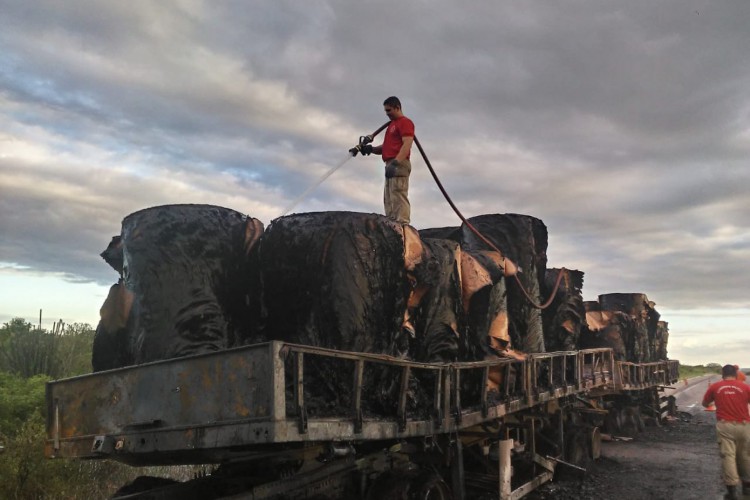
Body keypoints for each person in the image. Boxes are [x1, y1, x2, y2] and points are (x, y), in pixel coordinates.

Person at [357, 96, 415, 225]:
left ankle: (403, 225)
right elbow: (387, 147)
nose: (387, 114)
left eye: (389, 110)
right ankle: (392, 224)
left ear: (397, 107)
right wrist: (370, 149)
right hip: (390, 164)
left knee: (398, 194)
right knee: (389, 197)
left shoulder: (405, 122)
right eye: (385, 111)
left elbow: (407, 144)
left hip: (399, 164)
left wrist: (396, 162)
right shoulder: (391, 126)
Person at [702, 364, 750, 499]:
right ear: (735, 374)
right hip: (745, 426)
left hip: (725, 426)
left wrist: (714, 403)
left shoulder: (715, 387)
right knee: (745, 456)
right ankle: (747, 487)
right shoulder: (745, 387)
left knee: (728, 456)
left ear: (722, 374)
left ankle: (732, 491)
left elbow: (705, 403)